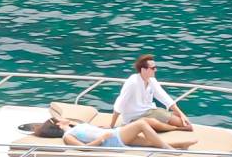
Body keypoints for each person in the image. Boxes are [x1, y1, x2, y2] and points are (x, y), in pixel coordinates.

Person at [113, 55, 191, 131]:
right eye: (153, 68)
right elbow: (120, 103)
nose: (155, 70)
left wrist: (181, 114)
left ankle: (167, 123)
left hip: (150, 111)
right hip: (134, 117)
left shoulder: (151, 80)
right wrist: (111, 125)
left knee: (181, 118)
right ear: (143, 70)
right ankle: (176, 128)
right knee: (182, 124)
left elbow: (164, 97)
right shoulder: (133, 82)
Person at [53, 113, 196, 151]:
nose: (64, 118)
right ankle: (168, 149)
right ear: (58, 124)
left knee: (150, 142)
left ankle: (180, 145)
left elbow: (91, 131)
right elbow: (83, 148)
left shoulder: (75, 126)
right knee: (141, 124)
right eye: (60, 118)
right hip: (112, 139)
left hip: (113, 134)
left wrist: (103, 129)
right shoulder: (68, 136)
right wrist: (102, 138)